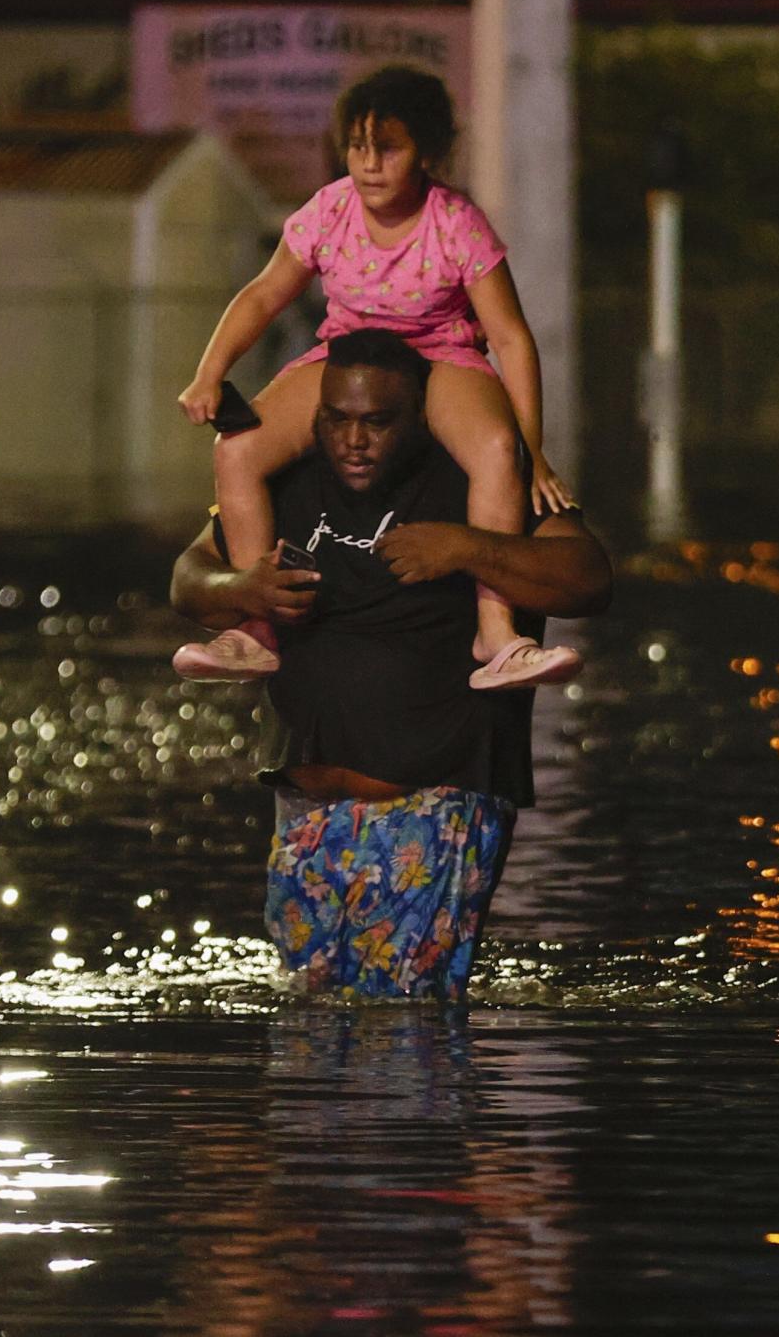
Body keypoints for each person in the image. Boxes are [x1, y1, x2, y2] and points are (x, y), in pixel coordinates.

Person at [170, 329, 612, 999]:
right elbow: (189, 575)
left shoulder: (481, 481)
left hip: (433, 804)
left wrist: (468, 549)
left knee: (404, 1028)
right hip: (307, 812)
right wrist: (242, 591)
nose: (355, 440)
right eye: (337, 420)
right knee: (310, 1014)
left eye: (378, 423)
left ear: (421, 420)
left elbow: (586, 576)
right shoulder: (285, 479)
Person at [174, 64, 578, 691]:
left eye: (388, 147)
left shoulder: (456, 221)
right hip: (349, 357)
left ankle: (496, 631)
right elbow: (261, 296)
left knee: (498, 452)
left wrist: (534, 450)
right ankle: (256, 628)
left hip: (438, 355)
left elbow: (509, 337)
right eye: (358, 147)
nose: (369, 164)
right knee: (238, 448)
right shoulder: (329, 210)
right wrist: (209, 373)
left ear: (427, 151)